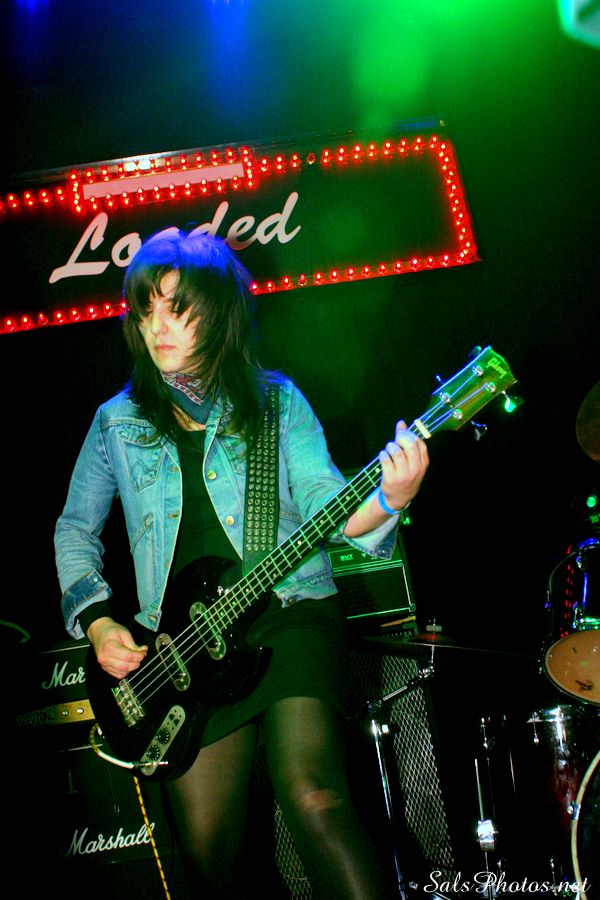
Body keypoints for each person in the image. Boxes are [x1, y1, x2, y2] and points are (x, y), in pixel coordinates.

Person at [55, 228, 429, 899]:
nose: (157, 327)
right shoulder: (116, 420)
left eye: (176, 309)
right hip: (184, 649)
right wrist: (100, 623)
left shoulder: (275, 401)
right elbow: (75, 529)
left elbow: (330, 507)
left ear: (219, 310)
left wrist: (389, 498)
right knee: (209, 852)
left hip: (289, 612)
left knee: (314, 797)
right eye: (145, 311)